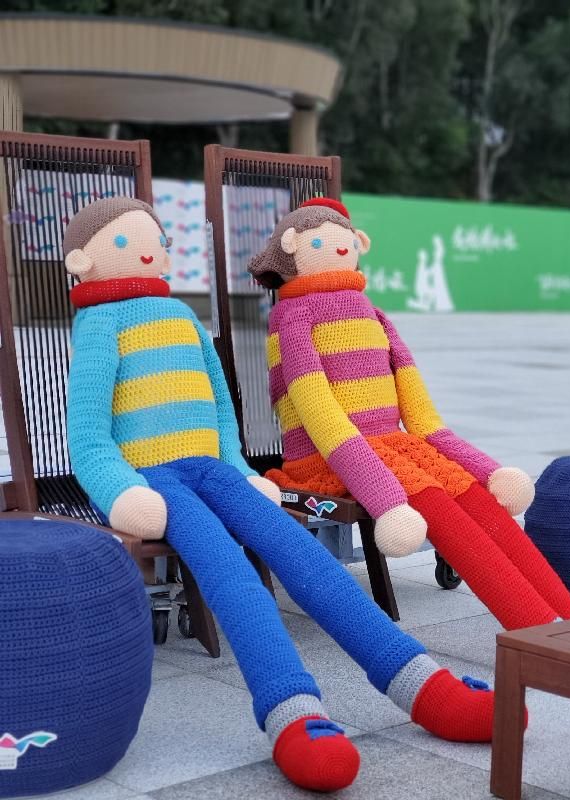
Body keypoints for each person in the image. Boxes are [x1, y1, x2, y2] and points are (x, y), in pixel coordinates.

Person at [64, 197, 498, 793]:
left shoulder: (184, 318)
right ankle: (292, 711)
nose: (147, 248)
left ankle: (419, 681)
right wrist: (121, 490)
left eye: (154, 237)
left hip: (218, 470)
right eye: (125, 243)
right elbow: (87, 437)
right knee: (232, 580)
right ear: (82, 260)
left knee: (310, 560)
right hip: (158, 482)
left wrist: (241, 469)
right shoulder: (98, 326)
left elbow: (220, 411)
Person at [249, 197, 570, 631]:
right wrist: (384, 499)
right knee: (438, 505)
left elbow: (421, 412)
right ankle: (538, 628)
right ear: (295, 247)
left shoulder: (373, 313)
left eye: (345, 240)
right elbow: (319, 413)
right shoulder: (291, 316)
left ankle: (569, 612)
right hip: (327, 455)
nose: (339, 249)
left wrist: (484, 469)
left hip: (390, 444)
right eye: (323, 241)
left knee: (476, 498)